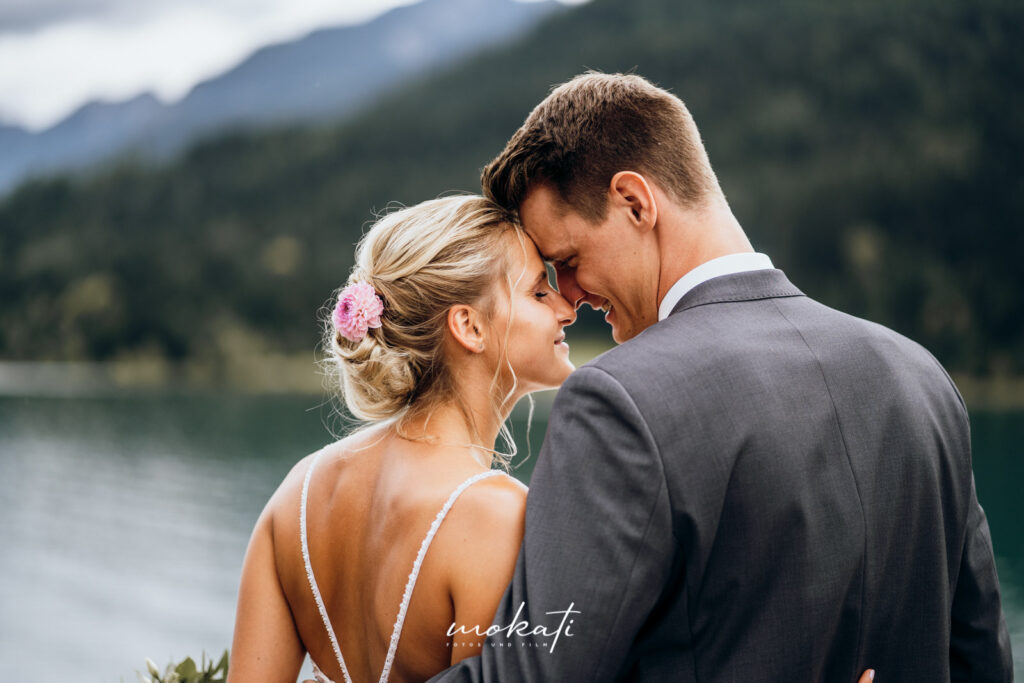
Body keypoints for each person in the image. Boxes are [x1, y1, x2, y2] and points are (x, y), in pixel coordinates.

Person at [427, 73, 1012, 682]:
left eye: (569, 261)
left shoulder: (620, 401)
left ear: (635, 202)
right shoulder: (922, 379)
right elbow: (981, 661)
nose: (569, 296)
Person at [227, 195, 577, 682]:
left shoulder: (297, 494)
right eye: (540, 292)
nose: (567, 308)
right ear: (469, 326)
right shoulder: (495, 516)